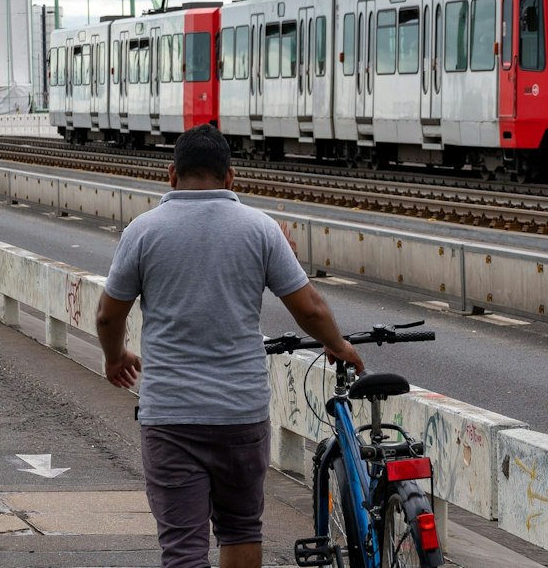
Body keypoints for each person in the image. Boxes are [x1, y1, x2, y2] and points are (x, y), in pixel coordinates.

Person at [97, 124, 363, 568]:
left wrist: (114, 357)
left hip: (171, 416)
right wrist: (336, 344)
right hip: (241, 411)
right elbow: (310, 307)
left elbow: (109, 315)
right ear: (230, 178)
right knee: (241, 530)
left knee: (183, 548)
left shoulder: (142, 232)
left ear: (171, 175)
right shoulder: (260, 229)